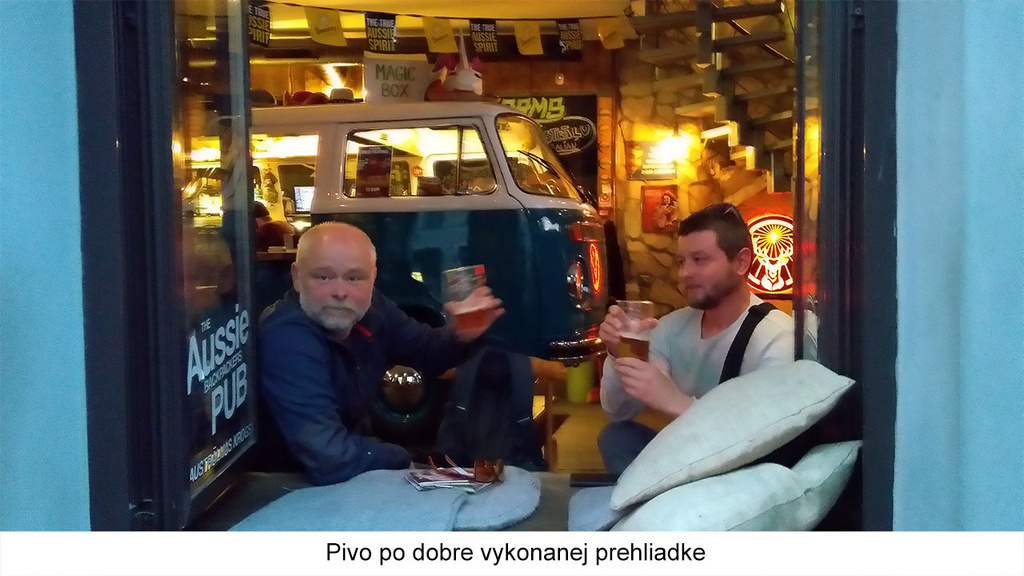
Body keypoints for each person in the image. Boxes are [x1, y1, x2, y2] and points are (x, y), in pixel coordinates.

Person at [257, 222, 504, 485]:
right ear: (296, 277)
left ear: (373, 277)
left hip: (351, 469)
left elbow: (427, 350)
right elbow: (328, 456)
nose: (340, 292)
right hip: (289, 485)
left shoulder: (373, 307)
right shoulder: (287, 338)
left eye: (354, 278)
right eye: (323, 277)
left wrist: (460, 334)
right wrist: (402, 459)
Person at [597, 202, 795, 474]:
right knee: (616, 439)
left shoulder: (776, 335)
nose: (685, 273)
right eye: (681, 262)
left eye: (699, 259)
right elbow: (619, 412)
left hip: (741, 471)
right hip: (684, 460)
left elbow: (770, 437)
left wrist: (675, 402)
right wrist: (617, 352)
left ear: (741, 262)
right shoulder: (670, 327)